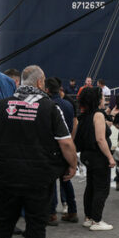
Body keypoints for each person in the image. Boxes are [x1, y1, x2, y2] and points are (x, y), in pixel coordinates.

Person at [0, 66, 78, 238]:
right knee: (35, 222)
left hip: (7, 175)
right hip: (38, 177)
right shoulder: (49, 108)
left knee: (3, 220)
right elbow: (66, 143)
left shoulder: (2, 105)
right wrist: (73, 165)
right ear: (40, 82)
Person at [74, 87, 115, 231]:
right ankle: (97, 220)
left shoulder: (86, 115)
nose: (104, 99)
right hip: (98, 156)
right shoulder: (98, 114)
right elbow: (100, 139)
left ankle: (89, 217)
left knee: (91, 186)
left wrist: (110, 114)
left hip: (88, 155)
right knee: (102, 188)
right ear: (98, 100)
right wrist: (110, 157)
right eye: (103, 97)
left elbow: (101, 128)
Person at [45, 78, 79, 224]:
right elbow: (72, 126)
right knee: (66, 180)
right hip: (66, 146)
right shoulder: (68, 105)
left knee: (51, 183)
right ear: (60, 89)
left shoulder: (47, 106)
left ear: (46, 90)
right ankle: (72, 211)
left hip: (51, 148)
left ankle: (51, 214)